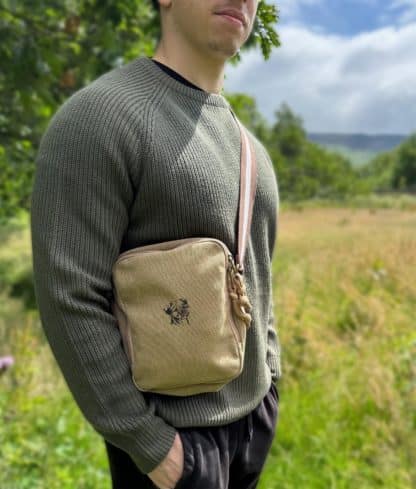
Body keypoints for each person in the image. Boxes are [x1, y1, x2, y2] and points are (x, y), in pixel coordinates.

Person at [30, 0, 282, 487]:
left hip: (254, 422)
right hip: (173, 445)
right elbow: (70, 296)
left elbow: (259, 277)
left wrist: (270, 375)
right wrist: (150, 444)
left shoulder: (252, 149)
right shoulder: (99, 117)